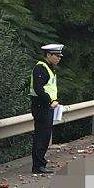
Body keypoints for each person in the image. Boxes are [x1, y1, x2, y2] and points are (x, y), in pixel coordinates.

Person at [30, 43, 63, 175]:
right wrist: (50, 100)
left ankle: (41, 164)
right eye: (57, 55)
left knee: (45, 136)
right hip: (41, 106)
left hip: (47, 106)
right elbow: (38, 89)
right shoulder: (40, 68)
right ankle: (38, 166)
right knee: (41, 136)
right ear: (48, 55)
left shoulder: (49, 68)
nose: (59, 58)